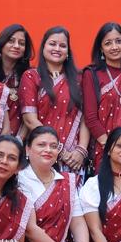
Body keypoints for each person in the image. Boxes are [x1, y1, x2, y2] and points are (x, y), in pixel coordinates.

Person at [20, 26, 89, 172]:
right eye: (52, 44)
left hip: (73, 158)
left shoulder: (80, 78)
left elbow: (85, 117)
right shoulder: (31, 76)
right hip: (41, 151)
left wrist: (81, 150)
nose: (57, 49)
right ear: (43, 47)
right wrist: (58, 150)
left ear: (68, 51)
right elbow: (30, 120)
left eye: (62, 46)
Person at [82, 22, 121, 168]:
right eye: (108, 43)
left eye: (119, 41)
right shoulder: (92, 74)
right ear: (101, 48)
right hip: (103, 148)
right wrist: (111, 146)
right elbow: (91, 117)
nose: (114, 47)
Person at [0, 23, 32, 136]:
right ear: (2, 43)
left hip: (19, 138)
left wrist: (19, 140)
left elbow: (31, 112)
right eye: (11, 41)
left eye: (21, 43)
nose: (16, 46)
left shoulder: (29, 76)